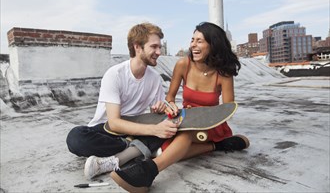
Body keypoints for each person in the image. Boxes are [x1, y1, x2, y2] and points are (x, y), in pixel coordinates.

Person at [110, 22, 250, 192]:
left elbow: (226, 110)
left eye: (200, 41)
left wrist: (203, 114)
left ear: (213, 45)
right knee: (171, 151)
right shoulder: (184, 64)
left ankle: (148, 171)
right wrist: (171, 106)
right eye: (193, 40)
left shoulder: (223, 74)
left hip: (209, 123)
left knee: (177, 145)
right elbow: (169, 97)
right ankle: (220, 146)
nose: (193, 45)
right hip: (185, 118)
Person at [66, 22, 179, 180]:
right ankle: (137, 148)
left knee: (170, 126)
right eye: (154, 47)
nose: (159, 52)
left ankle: (128, 152)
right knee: (75, 138)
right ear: (137, 47)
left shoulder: (154, 78)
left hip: (137, 126)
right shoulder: (115, 74)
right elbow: (114, 123)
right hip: (107, 131)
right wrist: (154, 131)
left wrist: (159, 110)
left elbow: (157, 112)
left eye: (159, 47)